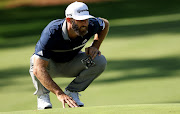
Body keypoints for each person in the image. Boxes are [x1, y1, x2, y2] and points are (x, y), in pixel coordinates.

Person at [29, 1, 109, 110]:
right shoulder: (52, 32)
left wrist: (95, 46)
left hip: (71, 63)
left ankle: (72, 91)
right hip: (49, 67)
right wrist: (59, 93)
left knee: (99, 60)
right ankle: (43, 96)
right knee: (35, 62)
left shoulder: (90, 25)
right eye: (80, 20)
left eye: (86, 19)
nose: (85, 23)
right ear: (69, 20)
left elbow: (105, 24)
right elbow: (39, 68)